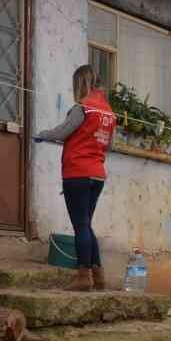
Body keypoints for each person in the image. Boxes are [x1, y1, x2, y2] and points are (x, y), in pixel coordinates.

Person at [34, 65, 115, 291]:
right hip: (97, 174)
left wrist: (42, 136)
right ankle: (98, 276)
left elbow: (62, 132)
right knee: (86, 225)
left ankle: (83, 277)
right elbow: (110, 145)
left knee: (80, 226)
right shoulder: (109, 112)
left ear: (80, 83)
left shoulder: (82, 108)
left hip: (77, 172)